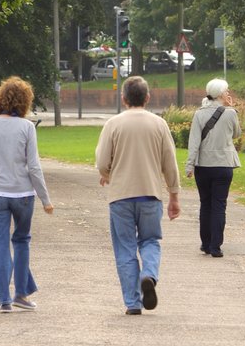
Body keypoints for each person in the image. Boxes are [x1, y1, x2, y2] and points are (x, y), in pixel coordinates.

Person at [95, 76, 181, 315]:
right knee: (150, 241)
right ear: (147, 98)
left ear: (123, 99)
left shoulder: (113, 124)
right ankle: (149, 275)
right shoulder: (159, 124)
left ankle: (132, 303)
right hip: (150, 194)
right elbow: (169, 163)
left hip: (121, 196)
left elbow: (102, 161)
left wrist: (108, 174)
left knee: (125, 247)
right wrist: (174, 195)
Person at [0, 76, 54, 313]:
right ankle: (21, 294)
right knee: (21, 241)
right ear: (25, 102)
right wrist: (45, 199)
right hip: (23, 195)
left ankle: (4, 300)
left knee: (0, 243)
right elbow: (34, 166)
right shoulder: (27, 127)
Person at [186, 79, 241, 258]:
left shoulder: (199, 114)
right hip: (223, 165)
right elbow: (237, 134)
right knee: (219, 205)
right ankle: (216, 246)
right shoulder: (230, 113)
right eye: (226, 91)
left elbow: (194, 142)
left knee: (205, 204)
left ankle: (206, 243)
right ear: (220, 94)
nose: (228, 94)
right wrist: (232, 109)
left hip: (203, 165)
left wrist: (190, 165)